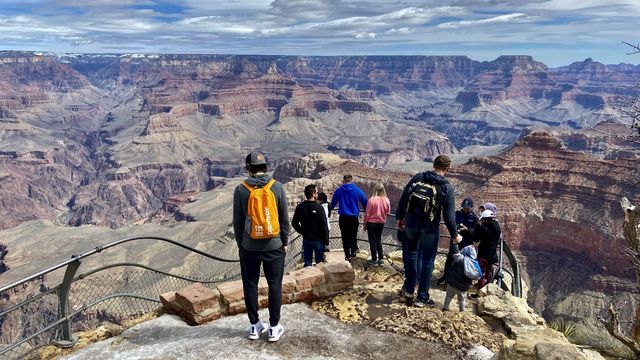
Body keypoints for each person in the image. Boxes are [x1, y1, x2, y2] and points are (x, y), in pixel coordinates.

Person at [233, 151, 290, 342]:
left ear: (248, 168)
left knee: (250, 285)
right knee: (275, 286)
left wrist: (242, 245)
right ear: (265, 166)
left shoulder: (241, 190)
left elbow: (238, 222)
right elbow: (284, 220)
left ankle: (254, 326)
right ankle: (274, 328)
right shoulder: (278, 187)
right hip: (274, 246)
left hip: (249, 247)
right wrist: (285, 242)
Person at [396, 155, 462, 307]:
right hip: (429, 229)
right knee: (427, 262)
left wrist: (400, 218)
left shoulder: (419, 177)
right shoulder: (447, 187)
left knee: (411, 257)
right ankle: (422, 297)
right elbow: (450, 217)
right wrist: (455, 235)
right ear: (447, 168)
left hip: (411, 224)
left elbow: (404, 197)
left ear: (433, 164)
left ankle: (408, 291)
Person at [437, 197, 478, 285]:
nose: (465, 209)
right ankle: (445, 277)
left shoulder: (474, 218)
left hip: (466, 243)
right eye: (464, 207)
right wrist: (456, 228)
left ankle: (460, 281)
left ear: (471, 207)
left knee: (463, 262)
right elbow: (451, 223)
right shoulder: (457, 214)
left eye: (467, 208)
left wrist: (467, 229)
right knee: (450, 259)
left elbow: (475, 232)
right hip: (456, 240)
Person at [459, 209, 501, 290]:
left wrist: (478, 225)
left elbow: (476, 237)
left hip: (485, 255)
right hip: (492, 254)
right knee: (488, 273)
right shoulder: (495, 224)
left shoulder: (486, 229)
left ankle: (480, 292)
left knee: (482, 274)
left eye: (483, 219)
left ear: (485, 219)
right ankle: (485, 288)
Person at [329, 175, 368, 261]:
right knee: (353, 236)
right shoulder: (357, 190)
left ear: (343, 180)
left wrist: (328, 210)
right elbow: (365, 202)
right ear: (351, 180)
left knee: (345, 236)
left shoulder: (338, 191)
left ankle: (347, 256)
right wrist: (366, 211)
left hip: (343, 218)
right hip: (353, 218)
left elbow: (333, 203)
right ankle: (353, 253)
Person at [292, 185, 330, 267]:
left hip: (306, 239)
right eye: (316, 192)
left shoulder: (300, 207)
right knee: (319, 264)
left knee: (307, 263)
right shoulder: (319, 208)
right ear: (313, 194)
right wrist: (326, 240)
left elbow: (294, 223)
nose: (317, 194)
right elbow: (324, 226)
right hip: (318, 240)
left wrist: (302, 231)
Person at [442, 235, 479, 312]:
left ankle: (445, 308)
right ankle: (462, 310)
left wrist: (454, 243)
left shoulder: (460, 258)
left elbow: (455, 252)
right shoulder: (475, 264)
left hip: (452, 283)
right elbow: (477, 276)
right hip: (463, 287)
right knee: (462, 299)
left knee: (448, 296)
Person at [363, 183, 391, 267]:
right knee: (378, 240)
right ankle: (381, 260)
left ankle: (374, 260)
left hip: (371, 223)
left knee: (372, 241)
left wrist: (364, 224)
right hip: (381, 223)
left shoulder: (371, 200)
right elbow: (388, 212)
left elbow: (367, 214)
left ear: (375, 189)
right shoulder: (386, 200)